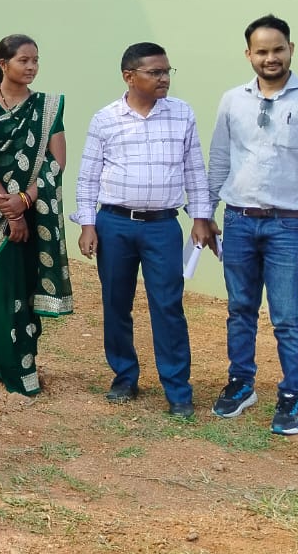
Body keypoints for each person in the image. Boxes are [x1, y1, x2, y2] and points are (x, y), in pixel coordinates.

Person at [208, 14, 298, 436]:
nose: (271, 58)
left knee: (286, 316)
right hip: (238, 221)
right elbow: (219, 159)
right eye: (262, 51)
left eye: (278, 49)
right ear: (248, 54)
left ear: (291, 50)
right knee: (240, 309)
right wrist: (205, 213)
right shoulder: (233, 100)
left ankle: (292, 396)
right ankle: (241, 383)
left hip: (288, 225)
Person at [73, 43, 215, 417]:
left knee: (168, 306)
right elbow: (88, 176)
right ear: (129, 76)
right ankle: (124, 377)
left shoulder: (182, 113)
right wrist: (87, 224)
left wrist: (200, 217)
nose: (164, 78)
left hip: (162, 227)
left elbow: (194, 170)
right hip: (114, 224)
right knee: (116, 302)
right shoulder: (105, 119)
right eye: (155, 72)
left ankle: (178, 390)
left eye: (167, 71)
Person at [0, 34, 73, 396]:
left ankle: (21, 359)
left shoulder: (47, 108)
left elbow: (56, 161)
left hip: (33, 208)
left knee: (22, 282)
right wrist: (9, 211)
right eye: (24, 60)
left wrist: (25, 200)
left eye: (35, 60)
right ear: (3, 64)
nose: (31, 67)